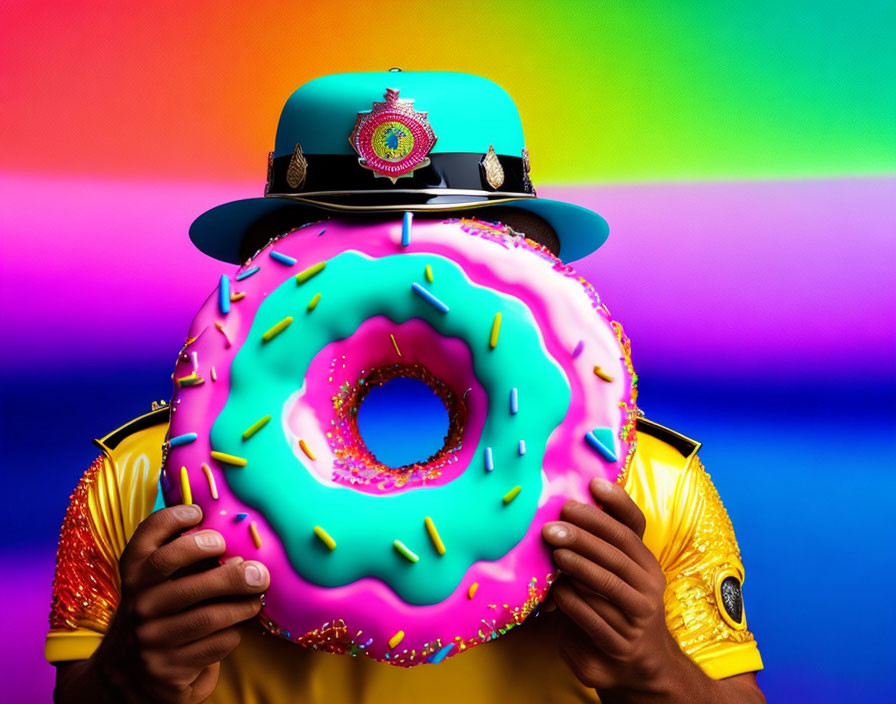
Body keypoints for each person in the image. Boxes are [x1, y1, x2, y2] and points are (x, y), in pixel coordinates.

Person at [46, 71, 765, 704]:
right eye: (346, 233)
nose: (405, 267)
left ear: (525, 261)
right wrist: (126, 679)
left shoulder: (653, 493)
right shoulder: (137, 483)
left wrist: (652, 668)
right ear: (275, 255)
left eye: (452, 238)